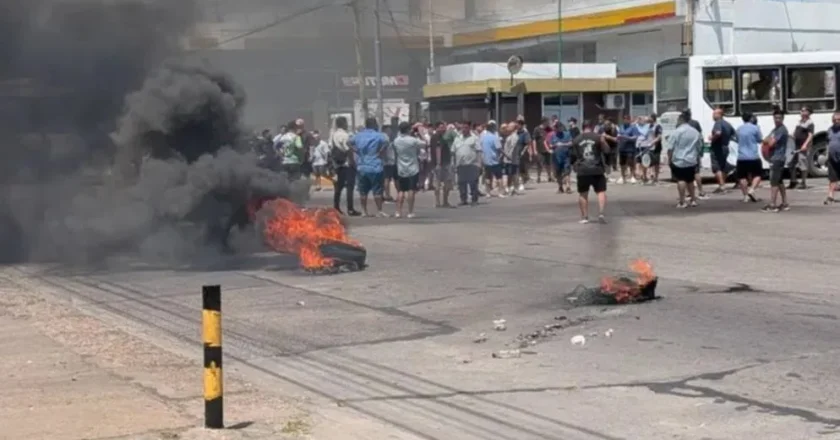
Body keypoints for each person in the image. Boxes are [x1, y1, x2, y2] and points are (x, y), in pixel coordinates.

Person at [569, 120, 610, 224]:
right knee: (600, 192)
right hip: (597, 169)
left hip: (583, 169)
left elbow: (572, 156)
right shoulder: (597, 137)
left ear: (582, 127)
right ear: (591, 126)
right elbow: (607, 151)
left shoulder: (576, 139)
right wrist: (603, 141)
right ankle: (601, 214)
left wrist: (573, 165)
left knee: (583, 193)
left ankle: (584, 217)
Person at [350, 117, 389, 217]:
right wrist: (381, 151)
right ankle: (379, 211)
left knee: (363, 191)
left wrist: (356, 150)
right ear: (374, 124)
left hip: (362, 165)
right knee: (377, 190)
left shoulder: (358, 135)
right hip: (375, 165)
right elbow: (386, 142)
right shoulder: (378, 135)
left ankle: (364, 211)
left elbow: (348, 142)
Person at [667, 111, 702, 208]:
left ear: (681, 120)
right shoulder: (695, 132)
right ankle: (693, 199)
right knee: (690, 180)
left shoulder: (676, 132)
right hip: (691, 160)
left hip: (679, 159)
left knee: (681, 180)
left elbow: (670, 147)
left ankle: (682, 201)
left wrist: (669, 159)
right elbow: (699, 146)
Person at [392, 121, 425, 218]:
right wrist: (420, 133)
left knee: (401, 190)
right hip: (412, 168)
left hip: (401, 168)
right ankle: (410, 212)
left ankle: (398, 211)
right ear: (408, 129)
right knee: (411, 189)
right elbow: (424, 143)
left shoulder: (396, 140)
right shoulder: (413, 140)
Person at [329, 116, 360, 216]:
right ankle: (350, 209)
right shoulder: (345, 135)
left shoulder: (333, 135)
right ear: (343, 124)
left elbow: (331, 148)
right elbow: (348, 150)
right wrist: (353, 163)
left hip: (338, 163)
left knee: (338, 187)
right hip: (347, 163)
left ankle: (336, 207)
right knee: (350, 187)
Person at [763, 109, 791, 212]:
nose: (777, 120)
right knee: (779, 181)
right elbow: (765, 139)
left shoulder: (782, 130)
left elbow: (770, 143)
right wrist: (768, 140)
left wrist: (769, 140)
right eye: (775, 118)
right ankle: (784, 203)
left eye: (779, 118)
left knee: (773, 181)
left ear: (783, 119)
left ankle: (773, 204)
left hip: (778, 158)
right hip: (774, 157)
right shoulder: (775, 129)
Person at [735, 112, 763, 204]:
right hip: (753, 156)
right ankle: (752, 189)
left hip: (742, 156)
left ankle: (745, 196)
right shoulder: (755, 128)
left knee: (742, 176)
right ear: (751, 118)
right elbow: (759, 140)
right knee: (758, 174)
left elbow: (737, 140)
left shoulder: (739, 129)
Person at [453, 121, 482, 206]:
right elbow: (453, 151)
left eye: (466, 127)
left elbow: (479, 151)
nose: (464, 129)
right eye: (462, 128)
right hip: (460, 164)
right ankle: (463, 199)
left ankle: (474, 199)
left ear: (469, 128)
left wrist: (479, 164)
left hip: (472, 164)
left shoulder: (474, 138)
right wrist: (453, 164)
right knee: (461, 183)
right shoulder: (457, 138)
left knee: (473, 182)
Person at [709, 107, 735, 194]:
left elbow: (718, 133)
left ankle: (722, 186)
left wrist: (712, 138)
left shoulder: (718, 123)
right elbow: (734, 135)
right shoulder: (727, 124)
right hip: (726, 147)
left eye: (714, 114)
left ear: (719, 115)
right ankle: (722, 185)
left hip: (718, 148)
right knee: (723, 167)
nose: (713, 115)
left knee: (717, 167)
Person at [684, 109, 709, 199]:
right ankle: (701, 191)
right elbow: (700, 137)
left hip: (684, 152)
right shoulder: (695, 123)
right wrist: (701, 150)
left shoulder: (680, 125)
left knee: (685, 172)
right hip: (694, 151)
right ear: (690, 114)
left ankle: (688, 193)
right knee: (696, 172)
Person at [430, 121, 457, 208]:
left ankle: (445, 201)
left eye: (444, 127)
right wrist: (438, 163)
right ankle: (438, 202)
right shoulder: (436, 137)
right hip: (440, 164)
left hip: (445, 162)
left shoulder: (443, 137)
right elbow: (438, 150)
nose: (443, 129)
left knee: (447, 183)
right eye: (441, 127)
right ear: (437, 128)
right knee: (438, 183)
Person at [789, 105, 814, 190]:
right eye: (801, 110)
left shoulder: (810, 123)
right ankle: (793, 181)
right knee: (791, 163)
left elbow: (810, 136)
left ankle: (803, 183)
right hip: (795, 146)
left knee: (802, 164)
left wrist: (805, 145)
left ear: (808, 112)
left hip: (802, 147)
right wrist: (791, 136)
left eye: (803, 111)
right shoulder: (799, 122)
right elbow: (795, 132)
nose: (801, 112)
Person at [480, 120, 505, 197]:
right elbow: (499, 148)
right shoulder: (495, 137)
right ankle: (500, 193)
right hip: (495, 160)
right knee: (499, 177)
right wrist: (505, 155)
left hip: (486, 160)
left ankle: (488, 193)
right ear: (493, 128)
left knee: (487, 177)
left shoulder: (483, 137)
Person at [550, 123, 573, 194]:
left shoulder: (567, 134)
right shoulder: (553, 135)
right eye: (556, 128)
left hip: (566, 156)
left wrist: (562, 144)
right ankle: (560, 187)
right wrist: (553, 146)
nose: (558, 129)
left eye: (560, 127)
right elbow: (550, 145)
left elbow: (571, 143)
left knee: (567, 172)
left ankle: (568, 187)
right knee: (558, 173)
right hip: (557, 157)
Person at [617, 115, 639, 184]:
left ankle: (632, 176)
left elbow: (635, 137)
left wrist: (626, 137)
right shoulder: (621, 127)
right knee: (622, 163)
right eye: (624, 119)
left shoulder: (633, 127)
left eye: (627, 119)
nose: (625, 120)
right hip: (622, 148)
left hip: (630, 148)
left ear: (629, 120)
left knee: (631, 163)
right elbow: (619, 135)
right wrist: (619, 137)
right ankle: (622, 177)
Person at [825, 112, 840, 204]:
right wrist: (827, 154)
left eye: (838, 120)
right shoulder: (830, 130)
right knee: (832, 177)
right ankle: (830, 196)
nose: (836, 121)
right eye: (835, 120)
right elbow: (827, 143)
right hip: (832, 157)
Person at [533, 118, 553, 183]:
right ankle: (538, 177)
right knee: (540, 164)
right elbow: (534, 140)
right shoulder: (537, 129)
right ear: (544, 122)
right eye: (547, 122)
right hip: (540, 150)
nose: (548, 123)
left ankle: (549, 177)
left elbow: (552, 137)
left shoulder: (549, 129)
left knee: (548, 164)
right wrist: (535, 149)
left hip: (548, 149)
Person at [648, 114, 663, 184]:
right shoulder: (649, 126)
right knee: (650, 163)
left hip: (656, 147)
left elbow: (659, 137)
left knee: (656, 163)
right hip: (649, 147)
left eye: (649, 117)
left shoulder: (658, 126)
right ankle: (651, 176)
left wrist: (653, 142)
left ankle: (656, 177)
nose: (648, 118)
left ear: (653, 118)